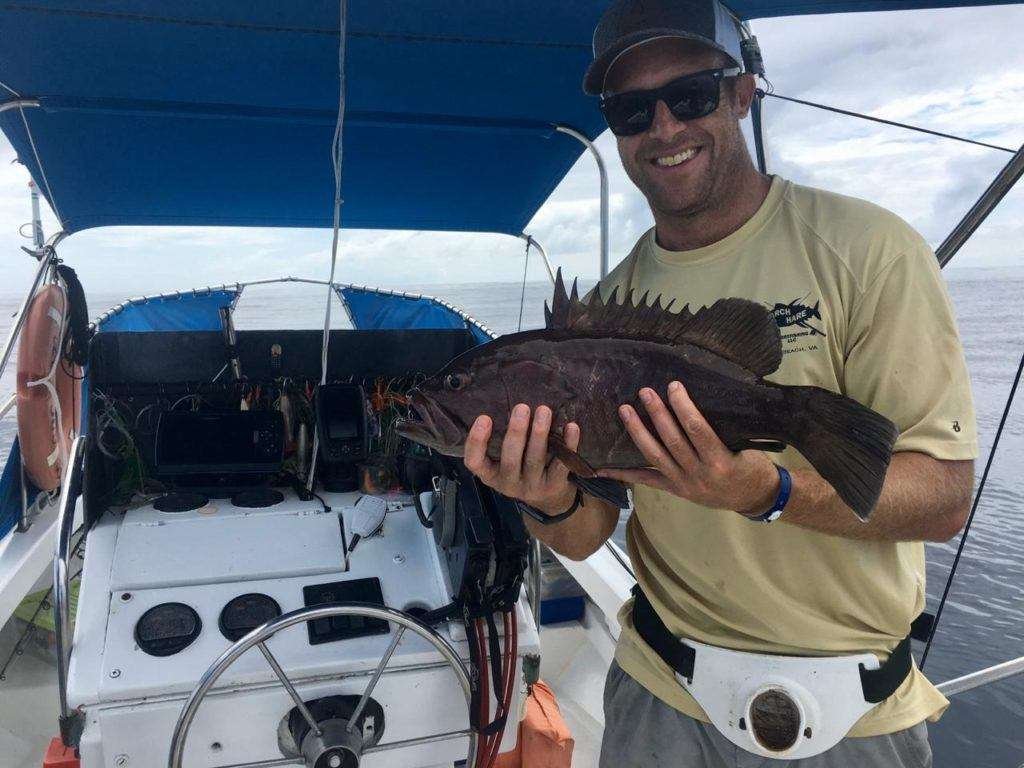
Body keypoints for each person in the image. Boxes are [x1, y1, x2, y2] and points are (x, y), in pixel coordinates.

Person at [463, 0, 977, 765]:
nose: (664, 127)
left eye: (693, 95)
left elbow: (942, 498)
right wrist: (545, 499)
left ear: (743, 94)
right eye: (633, 110)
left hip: (847, 720)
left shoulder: (870, 251)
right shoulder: (608, 309)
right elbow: (592, 530)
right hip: (658, 696)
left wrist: (764, 492)